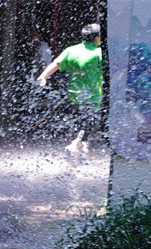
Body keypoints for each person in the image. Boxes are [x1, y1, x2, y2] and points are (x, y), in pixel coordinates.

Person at [37, 23, 103, 154]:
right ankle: (75, 145)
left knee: (80, 124)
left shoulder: (71, 50)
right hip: (93, 98)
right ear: (96, 38)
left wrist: (43, 76)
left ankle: (78, 152)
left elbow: (55, 64)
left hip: (73, 97)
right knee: (87, 126)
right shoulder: (98, 53)